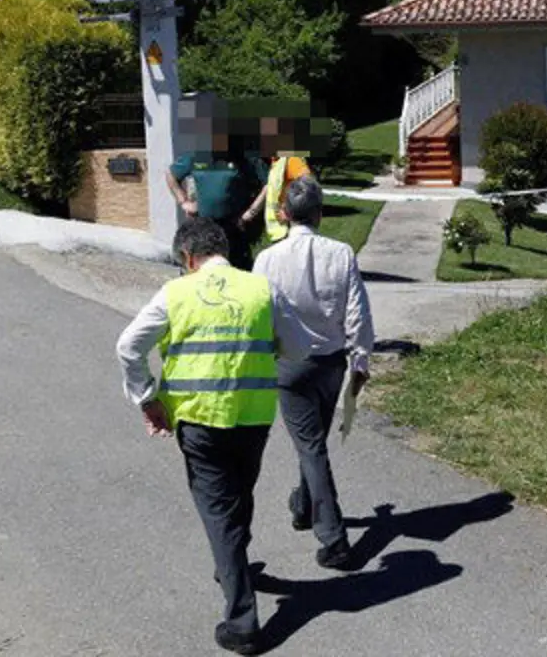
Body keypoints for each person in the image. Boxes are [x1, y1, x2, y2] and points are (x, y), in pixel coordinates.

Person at [116, 217, 309, 655]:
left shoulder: (176, 293)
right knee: (239, 497)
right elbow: (298, 347)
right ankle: (232, 566)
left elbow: (128, 346)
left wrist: (147, 398)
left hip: (200, 420)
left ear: (187, 258)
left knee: (219, 510)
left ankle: (242, 623)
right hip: (253, 418)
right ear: (224, 248)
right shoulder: (262, 289)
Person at [252, 176, 374, 571]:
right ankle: (305, 505)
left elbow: (258, 316)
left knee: (311, 446)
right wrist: (360, 360)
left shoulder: (267, 259)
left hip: (289, 363)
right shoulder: (341, 253)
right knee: (313, 443)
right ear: (320, 214)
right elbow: (358, 312)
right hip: (331, 362)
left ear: (284, 214)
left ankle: (334, 538)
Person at [165, 143, 267, 271]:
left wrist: (251, 212)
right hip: (204, 228)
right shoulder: (197, 155)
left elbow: (268, 184)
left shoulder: (246, 157)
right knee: (204, 270)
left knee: (237, 271)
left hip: (234, 228)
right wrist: (183, 202)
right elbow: (171, 174)